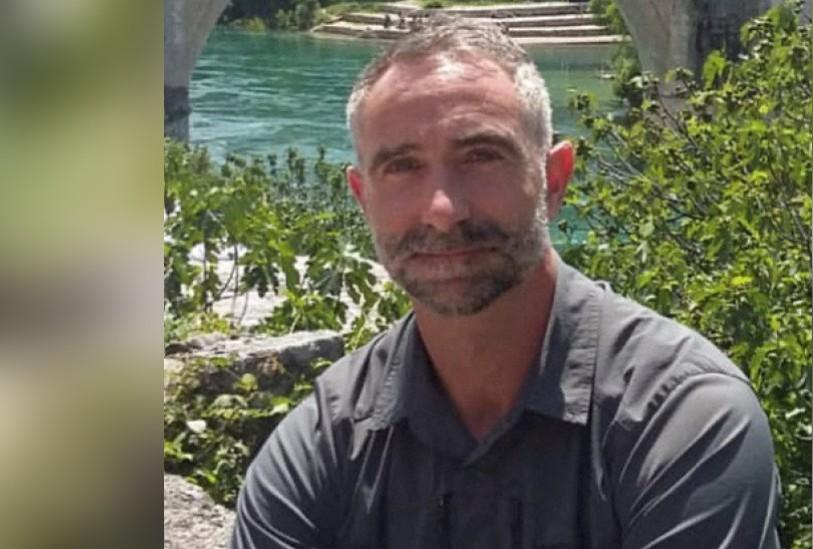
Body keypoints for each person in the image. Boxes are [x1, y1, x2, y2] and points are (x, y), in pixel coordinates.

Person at [231, 16, 781, 549]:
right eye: (401, 167)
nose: (443, 209)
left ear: (554, 179)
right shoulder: (328, 436)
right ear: (362, 198)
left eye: (481, 156)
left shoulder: (683, 418)